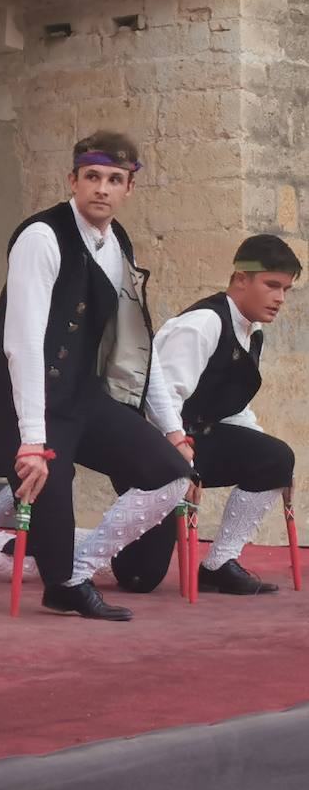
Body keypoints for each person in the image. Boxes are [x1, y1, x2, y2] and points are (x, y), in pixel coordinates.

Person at [0, 132, 195, 620]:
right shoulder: (41, 236)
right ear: (72, 180)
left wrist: (173, 429)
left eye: (115, 180)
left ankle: (76, 570)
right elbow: (22, 342)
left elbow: (138, 342)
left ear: (129, 189)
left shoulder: (120, 243)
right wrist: (33, 441)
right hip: (23, 400)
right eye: (92, 177)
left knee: (172, 475)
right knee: (41, 547)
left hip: (83, 397)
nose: (102, 188)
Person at [107, 234, 300, 595]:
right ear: (241, 279)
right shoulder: (201, 325)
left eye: (286, 289)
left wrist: (274, 465)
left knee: (276, 458)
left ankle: (219, 563)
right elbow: (159, 403)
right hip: (152, 447)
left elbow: (234, 407)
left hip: (198, 441)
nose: (279, 298)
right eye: (272, 285)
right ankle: (55, 540)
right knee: (139, 577)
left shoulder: (252, 331)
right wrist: (182, 466)